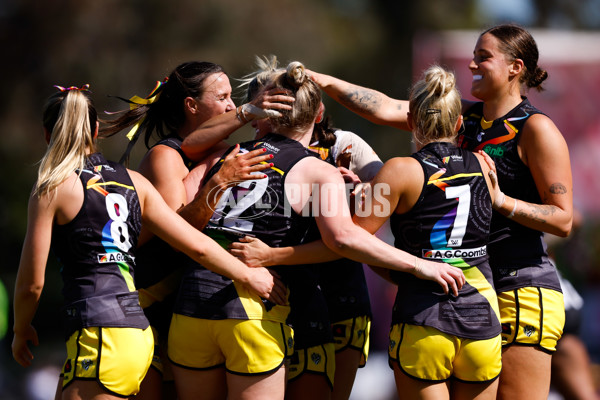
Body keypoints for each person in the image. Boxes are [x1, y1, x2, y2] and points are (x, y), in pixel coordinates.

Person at [308, 23, 573, 400]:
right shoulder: (466, 118)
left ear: (515, 67)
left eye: (483, 57)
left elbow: (562, 219)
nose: (471, 64)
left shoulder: (536, 128)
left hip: (521, 286)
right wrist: (322, 81)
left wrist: (502, 201)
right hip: (474, 285)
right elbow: (386, 108)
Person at [174, 60, 466, 400]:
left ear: (269, 113)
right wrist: (419, 264)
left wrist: (362, 193)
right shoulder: (315, 170)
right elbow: (345, 236)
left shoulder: (228, 155)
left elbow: (180, 218)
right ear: (316, 113)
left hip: (193, 303)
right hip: (256, 309)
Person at [11, 86, 285, 400]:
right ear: (97, 130)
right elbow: (194, 243)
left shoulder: (51, 187)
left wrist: (20, 330)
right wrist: (248, 273)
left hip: (100, 333)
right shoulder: (134, 181)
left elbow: (32, 284)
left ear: (47, 134)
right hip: (138, 335)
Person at [102, 61, 294, 400]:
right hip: (138, 305)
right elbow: (182, 238)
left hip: (182, 304)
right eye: (222, 98)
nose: (233, 107)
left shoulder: (220, 153)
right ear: (191, 105)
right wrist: (219, 183)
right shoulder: (166, 156)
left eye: (234, 98)